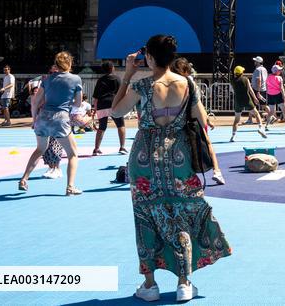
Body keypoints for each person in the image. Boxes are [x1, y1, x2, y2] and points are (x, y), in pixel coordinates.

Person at [111, 35, 230, 303]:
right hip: (179, 157)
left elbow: (116, 112)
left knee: (145, 217)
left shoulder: (142, 86)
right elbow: (202, 123)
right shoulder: (188, 84)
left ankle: (149, 284)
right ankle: (184, 282)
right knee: (182, 216)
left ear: (149, 58)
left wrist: (127, 75)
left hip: (145, 160)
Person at [18, 51, 83, 194]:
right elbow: (78, 103)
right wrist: (68, 101)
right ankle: (70, 186)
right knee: (72, 154)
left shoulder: (46, 80)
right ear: (70, 63)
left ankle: (24, 178)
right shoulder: (75, 79)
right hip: (60, 118)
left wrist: (35, 119)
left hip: (43, 117)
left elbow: (35, 102)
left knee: (40, 149)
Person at [173, 57, 224, 186]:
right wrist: (206, 120)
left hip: (180, 120)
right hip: (195, 119)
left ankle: (183, 175)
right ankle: (217, 171)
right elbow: (198, 105)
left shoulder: (173, 83)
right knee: (207, 144)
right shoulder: (190, 83)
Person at [92, 62, 127, 155]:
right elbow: (122, 93)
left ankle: (96, 149)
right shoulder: (117, 79)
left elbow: (95, 96)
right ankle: (122, 147)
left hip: (102, 104)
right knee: (121, 125)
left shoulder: (100, 80)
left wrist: (95, 108)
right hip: (114, 104)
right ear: (112, 68)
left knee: (102, 127)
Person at [230, 65, 267, 141]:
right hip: (247, 100)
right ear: (241, 73)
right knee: (256, 114)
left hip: (238, 100)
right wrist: (255, 98)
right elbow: (250, 90)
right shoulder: (245, 79)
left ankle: (233, 136)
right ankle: (261, 128)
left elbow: (232, 90)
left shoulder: (232, 80)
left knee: (236, 120)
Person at [249, 56, 267, 123]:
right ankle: (250, 119)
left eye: (256, 61)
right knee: (263, 105)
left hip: (257, 89)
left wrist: (258, 91)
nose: (254, 62)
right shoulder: (264, 69)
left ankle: (250, 119)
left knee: (252, 104)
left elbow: (259, 80)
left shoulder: (257, 69)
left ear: (258, 62)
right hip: (263, 89)